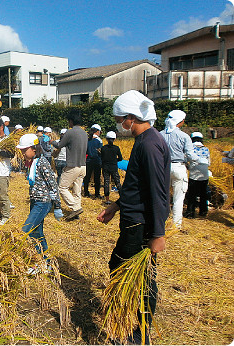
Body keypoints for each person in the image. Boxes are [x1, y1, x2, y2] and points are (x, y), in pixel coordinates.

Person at [97, 90, 170, 345]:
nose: (119, 125)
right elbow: (136, 186)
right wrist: (116, 206)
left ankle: (135, 332)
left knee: (133, 275)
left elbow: (157, 191)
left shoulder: (149, 144)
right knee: (128, 271)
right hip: (133, 217)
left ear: (131, 117)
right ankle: (133, 329)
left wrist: (158, 234)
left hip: (140, 225)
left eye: (120, 120)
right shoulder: (145, 140)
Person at [16, 133, 63, 274]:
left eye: (25, 150)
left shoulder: (42, 163)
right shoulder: (32, 163)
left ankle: (38, 262)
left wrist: (58, 206)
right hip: (35, 201)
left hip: (43, 202)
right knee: (37, 232)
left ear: (34, 149)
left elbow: (53, 185)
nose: (23, 153)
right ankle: (46, 263)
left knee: (26, 230)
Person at [160, 110, 199, 229]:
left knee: (163, 196)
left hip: (163, 167)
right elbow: (191, 155)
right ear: (179, 122)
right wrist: (200, 161)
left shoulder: (160, 134)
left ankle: (162, 221)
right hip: (178, 167)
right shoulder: (184, 136)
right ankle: (176, 225)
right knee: (178, 198)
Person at [51, 111, 88, 221]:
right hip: (83, 165)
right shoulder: (84, 133)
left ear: (71, 121)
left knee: (62, 187)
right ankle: (76, 212)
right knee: (77, 191)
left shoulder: (70, 132)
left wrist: (52, 141)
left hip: (73, 165)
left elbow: (59, 145)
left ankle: (75, 208)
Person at [186, 132, 210, 218]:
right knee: (203, 193)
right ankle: (203, 212)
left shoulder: (190, 148)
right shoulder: (206, 149)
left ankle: (190, 213)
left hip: (194, 174)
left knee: (192, 194)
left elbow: (186, 159)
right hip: (204, 174)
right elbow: (209, 163)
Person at [100, 131, 123, 205]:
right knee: (117, 182)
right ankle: (122, 197)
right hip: (113, 167)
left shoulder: (103, 148)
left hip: (105, 167)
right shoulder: (116, 148)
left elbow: (101, 158)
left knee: (106, 182)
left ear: (106, 139)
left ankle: (107, 200)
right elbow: (120, 158)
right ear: (114, 139)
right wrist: (114, 160)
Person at [83, 124, 103, 199]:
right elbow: (100, 152)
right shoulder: (99, 140)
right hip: (97, 161)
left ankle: (86, 192)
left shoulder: (88, 140)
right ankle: (97, 194)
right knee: (97, 178)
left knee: (87, 177)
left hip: (88, 160)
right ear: (97, 131)